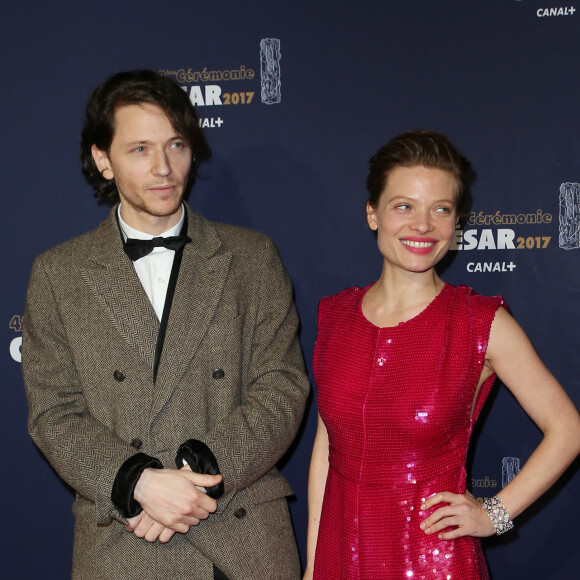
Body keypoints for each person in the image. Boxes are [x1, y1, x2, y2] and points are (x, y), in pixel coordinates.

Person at [22, 70, 310, 580]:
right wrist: (137, 481)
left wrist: (199, 475)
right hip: (124, 537)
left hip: (239, 535)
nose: (164, 168)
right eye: (139, 149)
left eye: (176, 145)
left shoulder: (251, 257)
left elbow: (282, 388)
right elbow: (54, 413)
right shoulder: (58, 274)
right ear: (102, 160)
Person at [303, 130, 580, 579]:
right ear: (372, 214)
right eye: (404, 206)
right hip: (341, 556)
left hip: (431, 562)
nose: (423, 226)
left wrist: (495, 513)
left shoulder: (479, 322)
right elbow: (326, 446)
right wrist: (315, 565)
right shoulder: (335, 315)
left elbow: (568, 429)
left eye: (441, 210)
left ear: (456, 222)